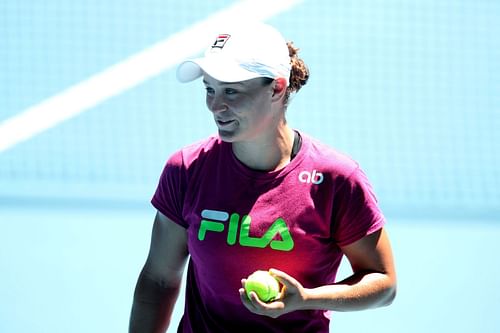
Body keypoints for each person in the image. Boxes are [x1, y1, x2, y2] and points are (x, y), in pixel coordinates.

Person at [129, 21, 396, 333]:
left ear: (277, 88)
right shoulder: (187, 169)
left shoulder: (336, 179)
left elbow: (383, 282)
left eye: (231, 91)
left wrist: (308, 298)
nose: (216, 105)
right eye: (210, 89)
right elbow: (158, 280)